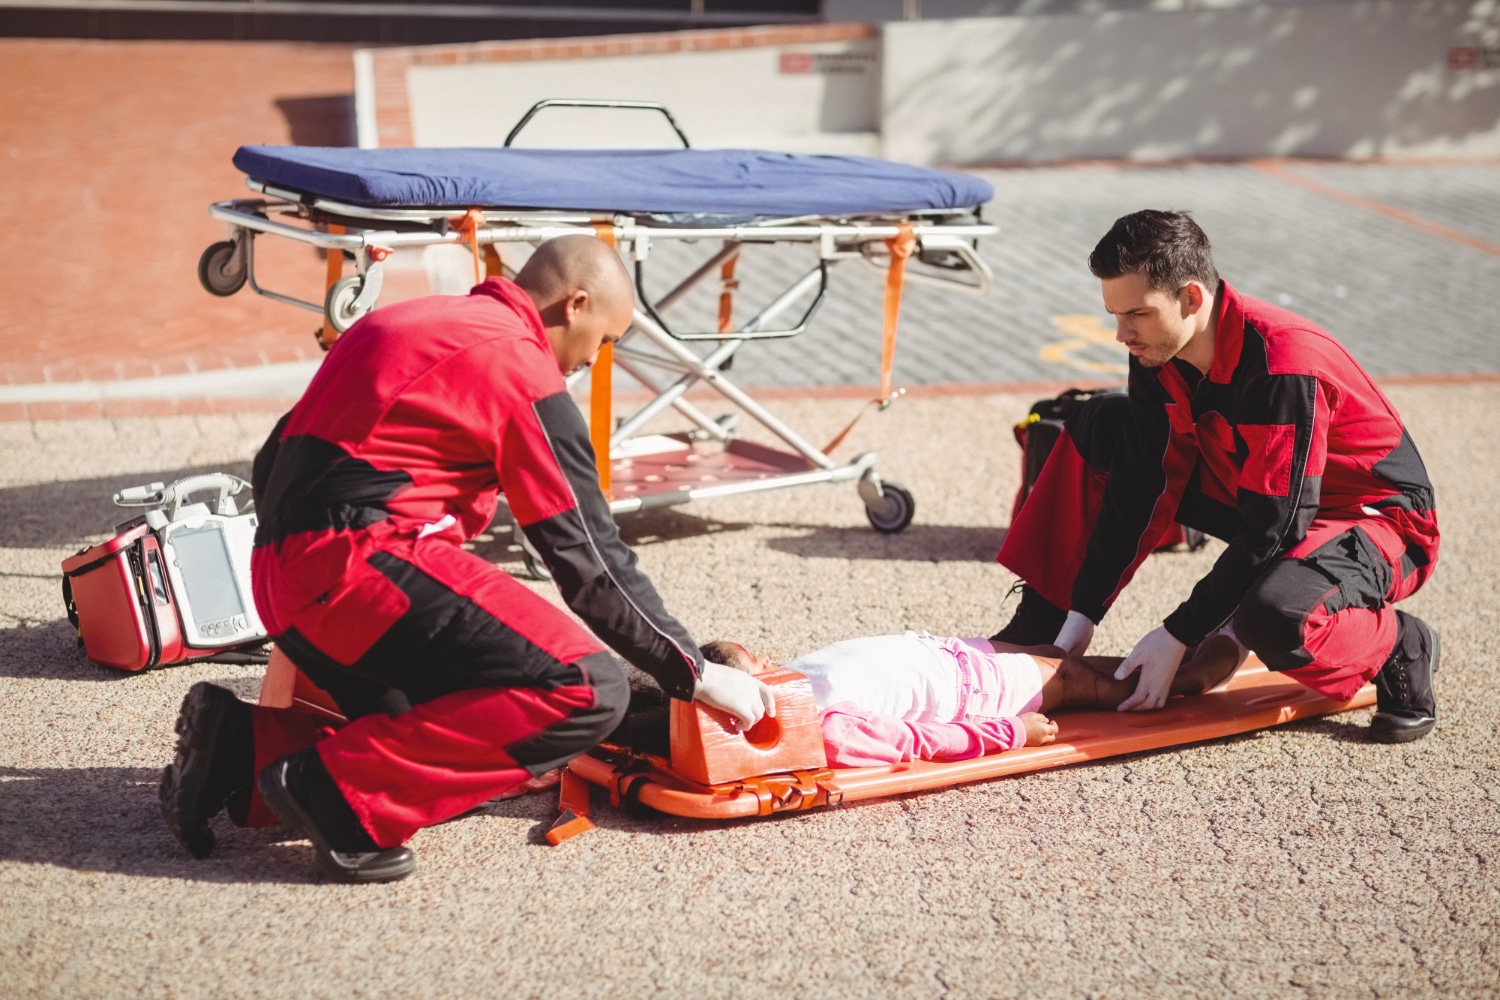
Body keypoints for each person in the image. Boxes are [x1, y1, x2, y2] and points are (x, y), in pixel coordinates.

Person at [159, 236, 775, 883]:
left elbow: (272, 458)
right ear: (575, 304)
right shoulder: (519, 365)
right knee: (587, 689)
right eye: (601, 341)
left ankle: (242, 747)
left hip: (280, 579)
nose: (592, 363)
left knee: (449, 738)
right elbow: (591, 559)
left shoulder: (400, 322)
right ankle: (338, 792)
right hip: (358, 572)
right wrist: (693, 673)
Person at [992, 210, 1440, 743]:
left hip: (1378, 522)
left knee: (1273, 616)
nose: (1121, 333)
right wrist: (1081, 613)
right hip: (1270, 499)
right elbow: (1141, 482)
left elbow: (1276, 526)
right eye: (1113, 313)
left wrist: (1180, 632)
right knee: (1099, 424)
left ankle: (1399, 643)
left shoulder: (1281, 364)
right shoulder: (1157, 347)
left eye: (1136, 312)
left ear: (1191, 299)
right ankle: (1043, 624)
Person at [614, 628, 1247, 768]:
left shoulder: (790, 685)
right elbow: (917, 742)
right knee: (1086, 681)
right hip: (980, 691)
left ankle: (1189, 657)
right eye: (753, 662)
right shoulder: (819, 726)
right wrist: (1012, 733)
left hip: (957, 654)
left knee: (1066, 661)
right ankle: (1194, 675)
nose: (762, 657)